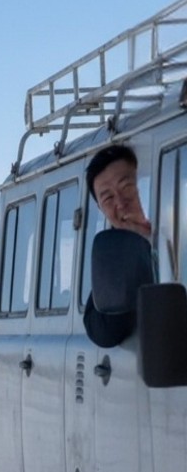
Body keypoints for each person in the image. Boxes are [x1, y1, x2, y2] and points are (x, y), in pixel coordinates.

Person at [82, 143, 154, 347]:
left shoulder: (179, 230)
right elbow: (103, 330)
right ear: (101, 209)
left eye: (127, 188)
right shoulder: (114, 254)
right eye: (108, 198)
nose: (121, 203)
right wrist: (131, 252)